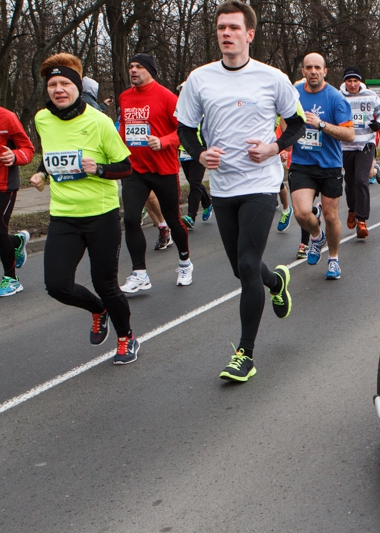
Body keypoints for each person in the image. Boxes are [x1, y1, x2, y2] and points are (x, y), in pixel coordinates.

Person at [175, 0, 302, 381]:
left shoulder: (272, 77)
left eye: (233, 28)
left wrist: (274, 147)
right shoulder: (200, 79)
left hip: (262, 183)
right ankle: (276, 281)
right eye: (220, 28)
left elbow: (295, 124)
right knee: (240, 268)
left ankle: (245, 354)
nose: (226, 34)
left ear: (249, 34)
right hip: (224, 185)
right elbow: (184, 128)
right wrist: (201, 153)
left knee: (247, 264)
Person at [29, 53, 138, 363]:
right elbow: (53, 154)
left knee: (106, 283)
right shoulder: (42, 119)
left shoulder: (99, 121)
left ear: (77, 86)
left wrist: (100, 169)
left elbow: (126, 166)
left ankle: (126, 337)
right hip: (63, 216)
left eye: (65, 83)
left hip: (100, 215)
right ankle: (97, 309)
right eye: (52, 84)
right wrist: (41, 172)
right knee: (56, 286)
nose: (59, 89)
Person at [117, 53, 193, 292]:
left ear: (151, 70)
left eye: (139, 66)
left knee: (173, 219)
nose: (133, 70)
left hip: (163, 169)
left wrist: (163, 142)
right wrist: (117, 154)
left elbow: (183, 131)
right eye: (131, 66)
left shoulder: (167, 97)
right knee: (130, 219)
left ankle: (185, 262)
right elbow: (124, 130)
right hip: (135, 169)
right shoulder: (125, 97)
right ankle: (139, 273)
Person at [289, 52, 354, 279]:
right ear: (303, 71)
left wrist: (322, 124)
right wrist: (281, 145)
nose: (313, 71)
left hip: (329, 165)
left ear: (325, 71)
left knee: (330, 215)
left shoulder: (336, 98)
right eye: (309, 67)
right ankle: (317, 237)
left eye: (318, 67)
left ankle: (333, 259)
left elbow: (349, 134)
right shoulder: (294, 95)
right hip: (302, 162)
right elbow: (283, 123)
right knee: (301, 212)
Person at [0, 98, 34, 297]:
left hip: (4, 186)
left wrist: (14, 156)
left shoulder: (6, 117)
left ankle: (12, 279)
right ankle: (15, 243)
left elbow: (28, 149)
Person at [340, 65, 380, 239]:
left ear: (360, 81)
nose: (353, 84)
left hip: (365, 144)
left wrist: (378, 124)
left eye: (356, 81)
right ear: (345, 81)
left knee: (362, 180)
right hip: (345, 145)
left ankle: (362, 220)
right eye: (349, 81)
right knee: (350, 183)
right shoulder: (338, 97)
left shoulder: (371, 95)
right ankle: (352, 209)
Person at [176, 82, 213, 229]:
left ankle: (191, 216)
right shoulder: (179, 109)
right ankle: (207, 203)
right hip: (184, 151)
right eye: (181, 91)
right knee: (193, 182)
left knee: (195, 183)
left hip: (200, 151)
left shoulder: (204, 108)